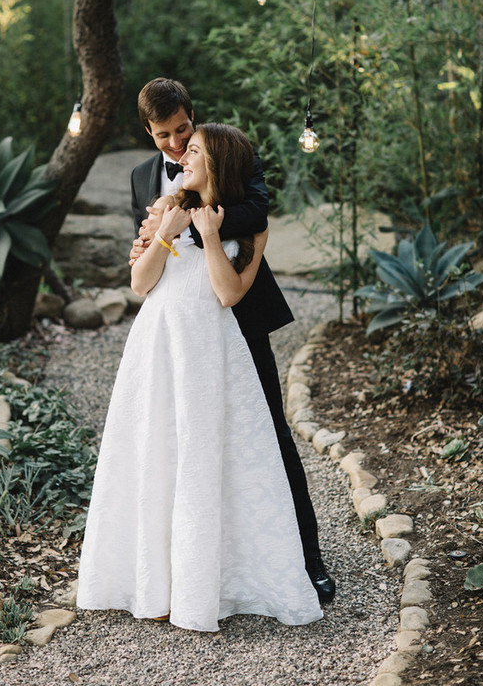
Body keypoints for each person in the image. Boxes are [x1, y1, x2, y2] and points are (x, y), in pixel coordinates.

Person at [77, 123, 323, 632]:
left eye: (190, 147)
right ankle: (158, 581)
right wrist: (164, 236)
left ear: (217, 162)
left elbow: (229, 293)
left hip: (214, 350)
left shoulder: (249, 224)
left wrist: (210, 235)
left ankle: (228, 575)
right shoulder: (166, 206)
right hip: (159, 345)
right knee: (158, 451)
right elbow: (140, 283)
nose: (179, 153)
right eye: (175, 144)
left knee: (221, 455)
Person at [129, 78, 335, 604]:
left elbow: (255, 212)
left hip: (238, 318)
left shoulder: (226, 152)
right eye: (164, 137)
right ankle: (201, 567)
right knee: (183, 443)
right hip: (176, 331)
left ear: (192, 116)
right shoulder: (139, 177)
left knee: (269, 437)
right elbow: (148, 253)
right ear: (148, 132)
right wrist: (149, 240)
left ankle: (306, 559)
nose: (176, 145)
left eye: (182, 131)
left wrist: (182, 223)